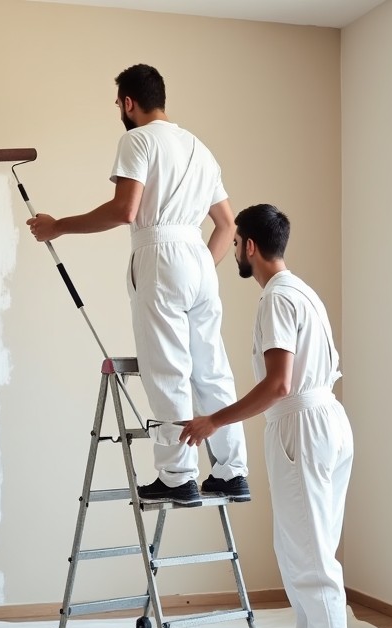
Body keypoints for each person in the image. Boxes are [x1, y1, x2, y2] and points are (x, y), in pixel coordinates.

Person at [27, 63, 249, 508]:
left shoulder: (137, 139)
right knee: (210, 367)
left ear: (128, 102)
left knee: (166, 365)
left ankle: (177, 475)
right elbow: (227, 223)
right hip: (200, 263)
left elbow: (125, 211)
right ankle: (231, 472)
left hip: (160, 253)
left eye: (118, 104)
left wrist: (59, 227)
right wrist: (199, 265)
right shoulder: (200, 149)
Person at [179, 204, 354, 628]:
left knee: (308, 547)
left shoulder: (276, 299)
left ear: (249, 246)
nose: (233, 250)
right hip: (327, 421)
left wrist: (213, 420)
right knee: (307, 542)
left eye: (235, 242)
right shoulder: (304, 292)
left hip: (301, 424)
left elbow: (278, 385)